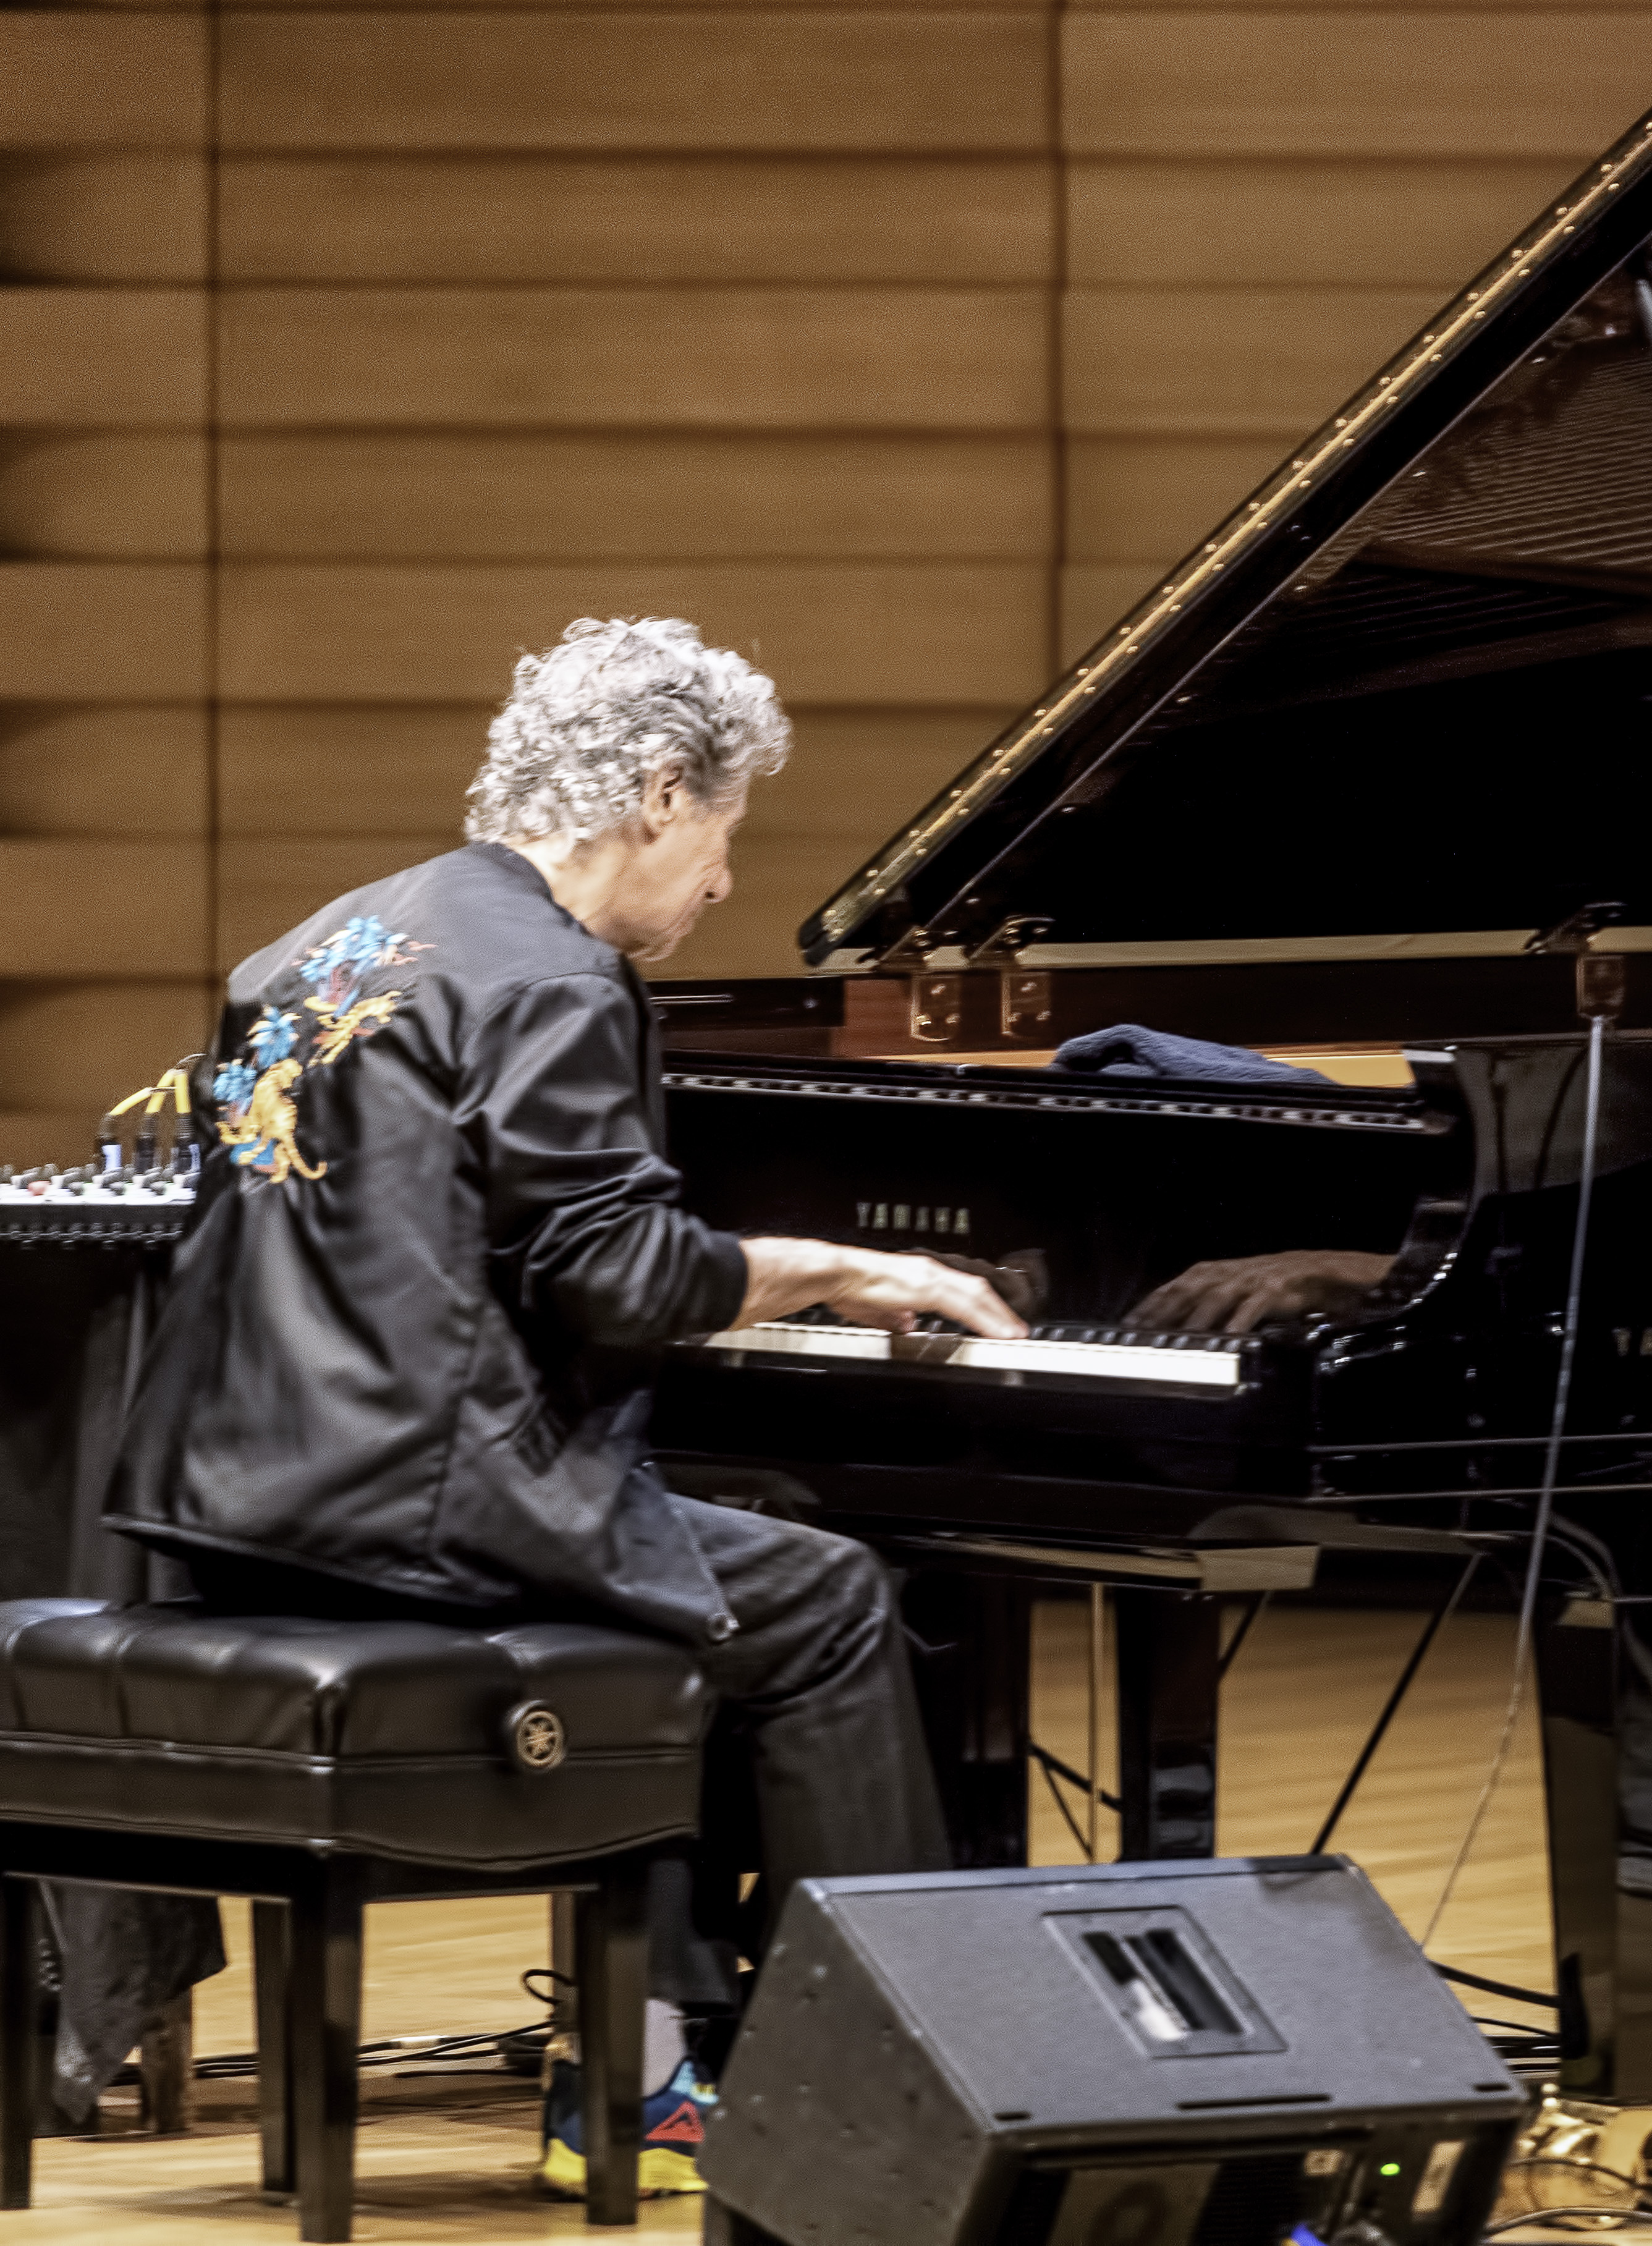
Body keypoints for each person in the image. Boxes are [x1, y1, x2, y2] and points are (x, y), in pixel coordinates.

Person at [103, 617, 1029, 2197]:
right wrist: (820, 1268)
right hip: (412, 1514)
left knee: (742, 1559)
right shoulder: (552, 977)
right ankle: (891, 2090)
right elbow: (611, 1274)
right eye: (727, 837)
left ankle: (649, 2064)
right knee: (827, 1604)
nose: (726, 883)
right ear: (662, 795)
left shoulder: (323, 948)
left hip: (236, 1501)